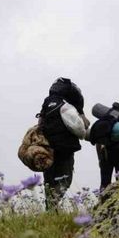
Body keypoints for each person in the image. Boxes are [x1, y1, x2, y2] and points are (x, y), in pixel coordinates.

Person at [38, 78, 88, 211]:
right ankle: (53, 206)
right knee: (65, 179)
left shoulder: (46, 106)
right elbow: (79, 129)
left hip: (48, 150)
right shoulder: (65, 106)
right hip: (65, 150)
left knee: (49, 181)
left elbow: (40, 127)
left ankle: (50, 209)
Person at [96, 102, 119, 189]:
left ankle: (102, 200)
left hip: (105, 155)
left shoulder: (107, 122)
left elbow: (99, 141)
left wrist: (100, 158)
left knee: (104, 183)